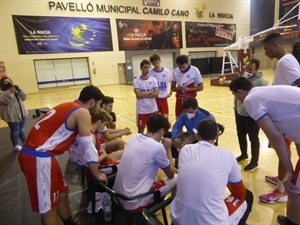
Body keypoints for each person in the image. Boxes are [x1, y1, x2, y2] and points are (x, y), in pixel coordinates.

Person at [18, 85, 108, 225]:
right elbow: (88, 146)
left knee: (62, 193)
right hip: (39, 157)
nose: (99, 108)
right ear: (92, 102)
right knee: (49, 209)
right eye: (98, 104)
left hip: (41, 156)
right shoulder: (83, 112)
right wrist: (96, 173)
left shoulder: (70, 106)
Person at [229, 77, 300, 224]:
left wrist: (289, 170)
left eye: (235, 96)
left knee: (294, 189)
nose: (237, 100)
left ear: (240, 92)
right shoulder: (265, 92)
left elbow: (276, 137)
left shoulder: (250, 100)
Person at [170, 119, 253, 225]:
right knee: (248, 196)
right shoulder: (227, 155)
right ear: (217, 135)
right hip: (211, 222)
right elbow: (240, 194)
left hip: (178, 219)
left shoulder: (185, 150)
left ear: (198, 136)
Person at [260, 32, 300, 204]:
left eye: (266, 48)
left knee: (284, 151)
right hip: (288, 117)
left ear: (276, 45)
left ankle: (282, 190)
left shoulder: (285, 61)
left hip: (290, 118)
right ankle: (282, 180)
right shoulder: (285, 61)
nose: (265, 52)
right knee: (284, 150)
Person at [113, 114, 177, 212]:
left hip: (117, 196)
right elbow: (171, 174)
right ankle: (167, 210)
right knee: (177, 177)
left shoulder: (135, 137)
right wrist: (168, 149)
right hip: (133, 203)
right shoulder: (157, 147)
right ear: (161, 131)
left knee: (151, 166)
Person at [234, 58, 269, 171]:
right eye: (246, 68)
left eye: (250, 69)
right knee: (240, 135)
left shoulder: (261, 82)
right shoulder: (243, 79)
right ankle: (244, 154)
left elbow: (264, 100)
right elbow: (236, 95)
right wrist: (236, 108)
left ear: (257, 69)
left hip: (252, 116)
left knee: (253, 138)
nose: (248, 71)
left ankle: (254, 162)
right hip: (240, 113)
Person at [171, 55, 203, 119]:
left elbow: (201, 87)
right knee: (178, 120)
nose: (181, 69)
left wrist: (188, 89)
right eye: (179, 67)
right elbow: (172, 87)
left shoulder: (195, 70)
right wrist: (177, 89)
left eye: (183, 67)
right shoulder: (175, 71)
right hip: (179, 101)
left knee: (192, 121)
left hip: (191, 101)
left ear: (187, 63)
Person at [0, 76, 28, 151]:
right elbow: (4, 100)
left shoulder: (15, 90)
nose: (8, 83)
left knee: (21, 129)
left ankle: (25, 142)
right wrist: (10, 92)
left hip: (22, 113)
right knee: (15, 130)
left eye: (9, 81)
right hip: (11, 115)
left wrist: (20, 90)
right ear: (2, 84)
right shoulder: (1, 92)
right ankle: (15, 145)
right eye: (6, 82)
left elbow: (24, 97)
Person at [133, 59, 159, 133]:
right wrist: (150, 91)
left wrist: (143, 94)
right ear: (141, 68)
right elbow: (138, 95)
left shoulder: (153, 80)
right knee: (141, 130)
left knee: (152, 130)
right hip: (142, 110)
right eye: (145, 67)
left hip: (153, 109)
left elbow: (156, 94)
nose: (147, 69)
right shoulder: (136, 81)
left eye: (148, 67)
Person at [149, 54, 172, 118]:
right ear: (152, 64)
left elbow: (172, 82)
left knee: (165, 118)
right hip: (154, 99)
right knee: (155, 119)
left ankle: (165, 128)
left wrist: (170, 93)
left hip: (164, 99)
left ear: (160, 61)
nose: (156, 64)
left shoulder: (167, 71)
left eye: (157, 62)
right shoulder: (150, 73)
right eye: (154, 63)